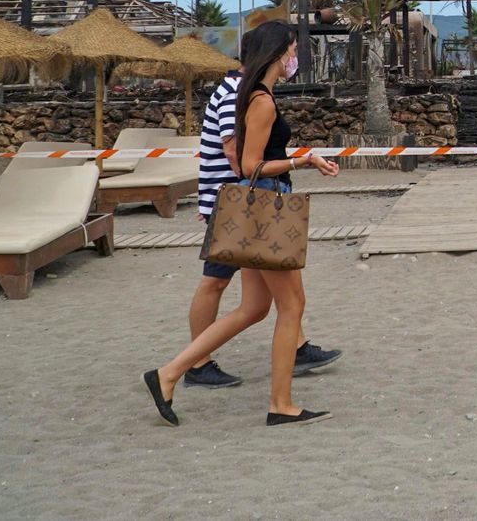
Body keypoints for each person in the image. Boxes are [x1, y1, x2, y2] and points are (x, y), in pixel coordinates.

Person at [144, 23, 340, 426]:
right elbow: (250, 165)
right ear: (277, 52)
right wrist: (305, 160)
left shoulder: (250, 94)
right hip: (266, 205)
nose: (293, 58)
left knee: (253, 308)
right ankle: (281, 404)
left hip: (258, 207)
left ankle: (169, 373)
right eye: (291, 50)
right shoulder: (261, 101)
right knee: (292, 305)